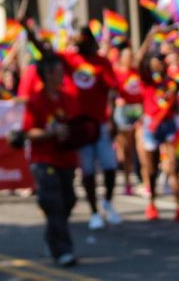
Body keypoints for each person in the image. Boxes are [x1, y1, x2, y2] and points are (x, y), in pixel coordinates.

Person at [60, 26, 121, 230]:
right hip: (79, 127)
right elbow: (44, 53)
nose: (77, 47)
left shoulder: (102, 62)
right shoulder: (69, 59)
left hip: (101, 124)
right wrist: (28, 29)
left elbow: (111, 92)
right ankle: (94, 211)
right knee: (87, 171)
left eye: (80, 42)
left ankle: (108, 203)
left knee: (110, 167)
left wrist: (111, 119)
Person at [23, 53, 79, 267]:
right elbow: (28, 132)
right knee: (53, 203)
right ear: (47, 74)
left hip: (66, 158)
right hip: (44, 159)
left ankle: (52, 236)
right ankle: (64, 250)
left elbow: (75, 125)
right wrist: (50, 132)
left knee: (69, 200)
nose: (62, 75)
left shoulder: (69, 98)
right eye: (58, 72)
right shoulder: (35, 101)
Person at [137, 28, 179, 223]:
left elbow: (177, 106)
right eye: (155, 61)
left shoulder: (172, 83)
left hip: (168, 126)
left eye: (160, 60)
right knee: (151, 169)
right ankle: (151, 204)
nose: (158, 63)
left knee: (174, 167)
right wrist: (149, 37)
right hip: (151, 126)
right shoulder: (147, 81)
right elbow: (138, 60)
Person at [112, 42, 144, 196]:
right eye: (127, 56)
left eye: (132, 56)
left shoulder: (136, 71)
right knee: (127, 150)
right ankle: (127, 182)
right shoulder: (117, 72)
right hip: (123, 112)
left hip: (138, 110)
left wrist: (150, 36)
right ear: (121, 58)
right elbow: (111, 91)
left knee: (141, 147)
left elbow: (142, 51)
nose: (130, 59)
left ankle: (145, 182)